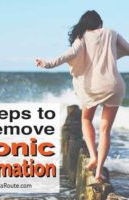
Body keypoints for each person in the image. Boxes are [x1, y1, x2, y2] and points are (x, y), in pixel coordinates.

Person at [35, 10, 129, 183]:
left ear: (85, 24)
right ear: (99, 23)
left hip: (94, 87)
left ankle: (92, 156)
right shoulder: (112, 33)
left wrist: (47, 63)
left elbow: (68, 55)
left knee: (86, 119)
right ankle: (99, 170)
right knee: (105, 130)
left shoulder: (82, 37)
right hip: (115, 85)